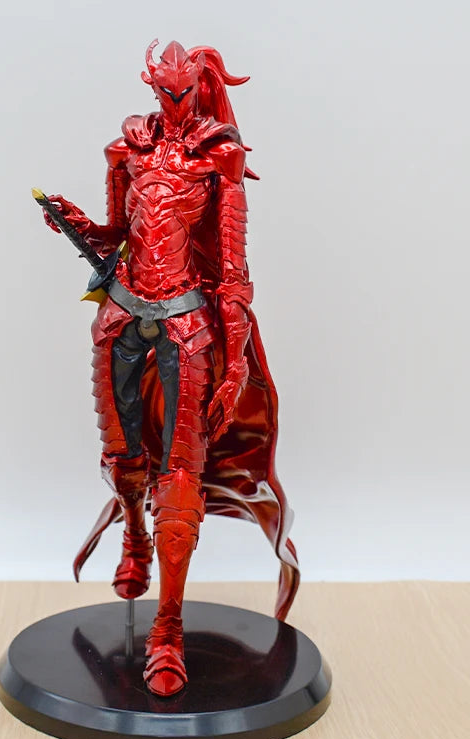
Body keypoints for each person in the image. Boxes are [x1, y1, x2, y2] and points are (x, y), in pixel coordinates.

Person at [41, 40, 299, 697]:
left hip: (186, 325)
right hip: (121, 317)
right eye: (165, 90)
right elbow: (117, 237)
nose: (176, 101)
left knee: (181, 476)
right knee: (124, 455)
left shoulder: (219, 155)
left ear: (198, 86)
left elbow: (232, 270)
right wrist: (77, 224)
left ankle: (168, 629)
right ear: (152, 86)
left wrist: (234, 364)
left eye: (184, 91)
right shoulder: (125, 149)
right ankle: (134, 535)